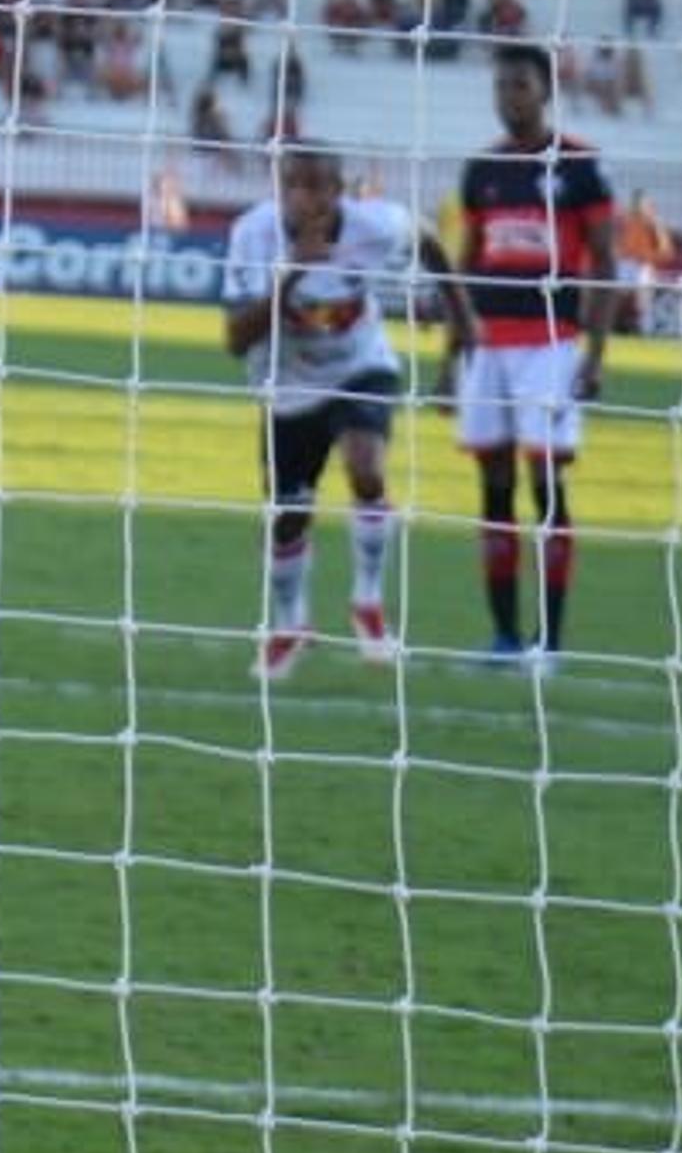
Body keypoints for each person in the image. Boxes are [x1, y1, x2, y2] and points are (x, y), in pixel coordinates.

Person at [219, 148, 446, 680]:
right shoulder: (253, 235)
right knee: (288, 515)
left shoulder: (374, 225)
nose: (309, 198)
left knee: (367, 467)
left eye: (320, 187)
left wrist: (461, 320)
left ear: (339, 190)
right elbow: (235, 339)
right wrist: (293, 274)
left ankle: (367, 600)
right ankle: (290, 623)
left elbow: (428, 237)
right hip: (287, 384)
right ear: (280, 189)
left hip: (361, 366)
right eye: (296, 186)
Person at [444, 44, 616, 671]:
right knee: (492, 486)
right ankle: (504, 638)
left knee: (546, 487)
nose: (507, 96)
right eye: (501, 86)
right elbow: (465, 266)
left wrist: (595, 354)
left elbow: (604, 265)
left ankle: (551, 643)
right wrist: (448, 357)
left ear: (544, 90)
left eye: (519, 85)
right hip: (487, 347)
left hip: (550, 349)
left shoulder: (580, 166)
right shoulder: (483, 170)